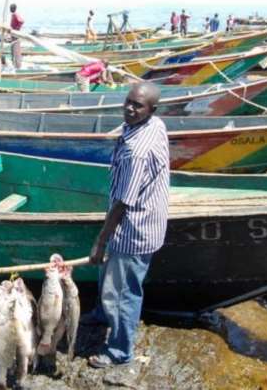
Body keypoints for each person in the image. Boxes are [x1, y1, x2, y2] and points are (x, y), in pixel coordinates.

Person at [87, 82, 170, 369]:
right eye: (128, 102)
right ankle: (101, 313)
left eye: (138, 106)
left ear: (152, 110)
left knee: (123, 292)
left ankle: (119, 351)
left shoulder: (138, 151)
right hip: (145, 216)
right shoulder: (155, 123)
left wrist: (100, 240)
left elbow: (123, 202)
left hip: (134, 228)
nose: (130, 109)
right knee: (110, 275)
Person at [9, 3, 24, 69]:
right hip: (13, 35)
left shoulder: (15, 14)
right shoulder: (13, 15)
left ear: (14, 8)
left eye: (11, 8)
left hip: (15, 35)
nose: (10, 9)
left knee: (16, 50)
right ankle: (14, 64)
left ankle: (18, 66)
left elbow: (21, 21)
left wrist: (16, 30)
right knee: (13, 50)